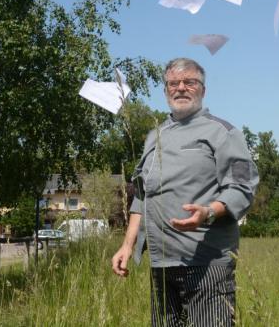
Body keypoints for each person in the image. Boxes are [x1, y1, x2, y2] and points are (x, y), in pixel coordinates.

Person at [111, 57, 259, 326]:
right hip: (161, 264)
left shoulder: (222, 132)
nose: (181, 88)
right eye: (173, 83)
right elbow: (141, 198)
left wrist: (208, 212)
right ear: (166, 90)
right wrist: (127, 245)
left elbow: (242, 187)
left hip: (206, 261)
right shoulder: (152, 137)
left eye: (189, 82)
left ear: (203, 89)